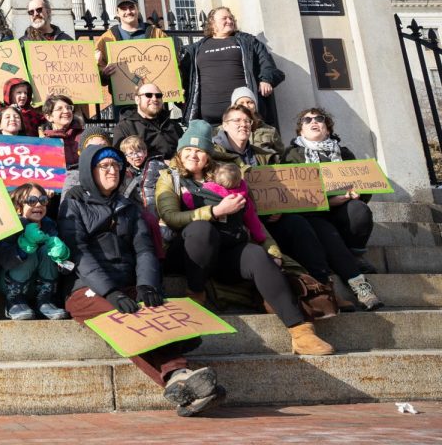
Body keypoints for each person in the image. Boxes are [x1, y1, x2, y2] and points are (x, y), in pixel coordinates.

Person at [60, 142, 226, 417]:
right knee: (125, 319)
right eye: (104, 166)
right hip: (87, 289)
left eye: (116, 165)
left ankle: (183, 382)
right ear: (90, 171)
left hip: (128, 283)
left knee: (151, 307)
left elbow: (144, 249)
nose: (112, 170)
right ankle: (178, 373)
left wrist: (148, 285)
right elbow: (79, 253)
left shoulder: (129, 207)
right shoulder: (73, 204)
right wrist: (111, 291)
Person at [153, 122, 335, 357]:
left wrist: (273, 251)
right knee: (201, 230)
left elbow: (253, 221)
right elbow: (170, 216)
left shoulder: (229, 178)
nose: (193, 155)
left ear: (208, 155)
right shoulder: (169, 178)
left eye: (199, 151)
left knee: (258, 256)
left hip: (228, 249)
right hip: (189, 251)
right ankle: (196, 294)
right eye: (188, 150)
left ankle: (300, 332)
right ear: (179, 152)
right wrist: (215, 212)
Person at [283, 107, 381, 309]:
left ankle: (355, 254)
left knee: (359, 210)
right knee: (329, 236)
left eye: (319, 118)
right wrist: (328, 202)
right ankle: (360, 285)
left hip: (342, 211)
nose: (313, 122)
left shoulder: (344, 153)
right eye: (306, 120)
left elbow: (365, 188)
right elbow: (294, 196)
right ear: (300, 130)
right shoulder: (291, 155)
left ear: (327, 128)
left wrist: (357, 193)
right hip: (312, 214)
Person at [180, 6, 284, 125]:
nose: (229, 21)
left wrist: (266, 79)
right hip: (209, 121)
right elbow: (184, 77)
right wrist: (181, 91)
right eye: (224, 18)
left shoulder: (248, 42)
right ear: (212, 23)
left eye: (231, 18)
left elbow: (267, 64)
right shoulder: (195, 49)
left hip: (244, 118)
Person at [0, 182, 70, 320]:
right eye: (31, 201)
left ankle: (45, 300)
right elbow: (3, 259)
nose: (38, 205)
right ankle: (14, 301)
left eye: (43, 200)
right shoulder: (12, 226)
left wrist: (63, 257)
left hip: (37, 285)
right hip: (10, 281)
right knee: (31, 251)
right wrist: (24, 247)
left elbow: (66, 267)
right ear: (19, 208)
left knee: (47, 250)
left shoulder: (50, 225)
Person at [94, 0, 167, 79]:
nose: (128, 12)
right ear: (117, 13)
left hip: (153, 90)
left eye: (131, 7)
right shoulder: (106, 38)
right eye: (123, 9)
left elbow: (170, 62)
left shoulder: (157, 34)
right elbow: (97, 69)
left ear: (137, 9)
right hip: (122, 91)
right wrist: (104, 73)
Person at [112, 82, 184, 160]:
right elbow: (119, 159)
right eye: (148, 95)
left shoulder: (173, 125)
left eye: (158, 96)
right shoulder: (125, 127)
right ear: (137, 100)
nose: (154, 99)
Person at [210, 104, 279, 168]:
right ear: (225, 126)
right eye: (237, 120)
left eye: (247, 121)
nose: (243, 124)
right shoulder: (213, 154)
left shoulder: (264, 156)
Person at [228, 86, 285, 154]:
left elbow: (282, 156)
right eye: (241, 103)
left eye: (249, 102)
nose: (246, 106)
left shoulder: (270, 131)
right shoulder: (225, 130)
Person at [42, 94, 85, 169]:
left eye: (68, 108)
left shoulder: (85, 135)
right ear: (49, 117)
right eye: (59, 109)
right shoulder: (44, 144)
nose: (66, 111)